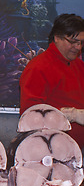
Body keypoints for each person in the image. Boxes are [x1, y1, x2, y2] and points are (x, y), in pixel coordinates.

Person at [19, 13, 84, 148]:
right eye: (72, 42)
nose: (78, 47)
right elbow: (30, 115)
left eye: (81, 42)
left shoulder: (79, 65)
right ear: (56, 38)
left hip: (76, 150)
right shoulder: (38, 67)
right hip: (49, 151)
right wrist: (69, 115)